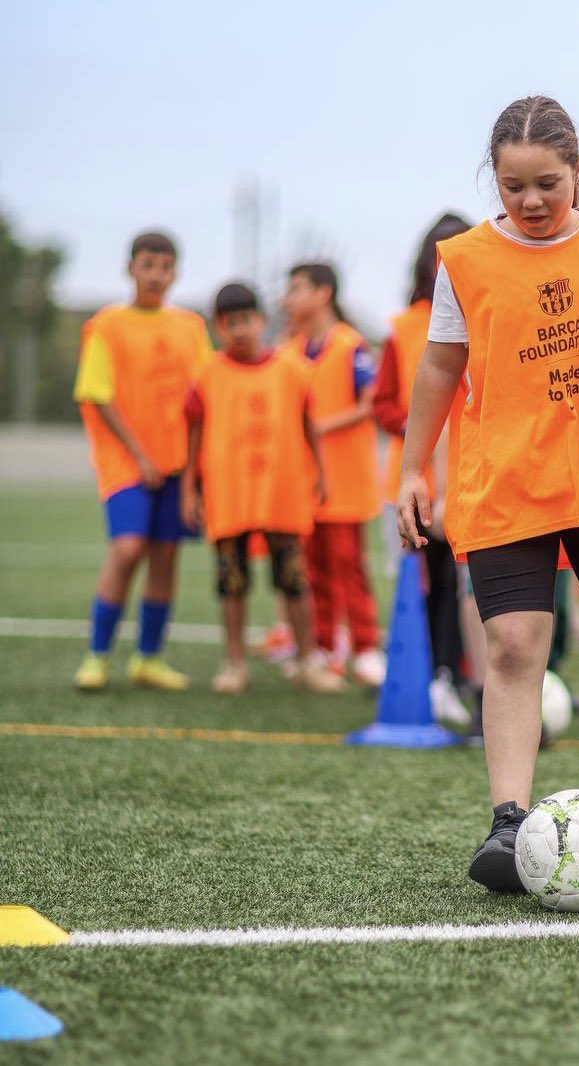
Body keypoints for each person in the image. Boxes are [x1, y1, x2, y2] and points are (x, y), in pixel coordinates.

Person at [397, 95, 579, 890]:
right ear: (493, 177)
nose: (529, 201)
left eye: (547, 184)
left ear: (577, 170)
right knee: (514, 648)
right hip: (503, 481)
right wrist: (414, 470)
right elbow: (439, 369)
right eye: (513, 185)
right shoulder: (465, 260)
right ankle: (509, 823)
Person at [180, 283, 344, 696]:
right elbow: (194, 436)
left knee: (293, 580)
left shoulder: (292, 370)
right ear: (218, 328)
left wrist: (322, 473)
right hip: (228, 493)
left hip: (282, 491)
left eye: (245, 320)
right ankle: (234, 663)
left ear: (261, 320)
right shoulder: (207, 375)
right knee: (231, 582)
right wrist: (189, 490)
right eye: (229, 323)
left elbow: (310, 426)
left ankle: (307, 660)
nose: (238, 330)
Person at [73, 231, 209, 691]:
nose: (156, 274)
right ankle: (97, 656)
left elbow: (205, 394)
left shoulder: (190, 326)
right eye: (148, 264)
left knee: (165, 556)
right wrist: (139, 454)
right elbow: (98, 394)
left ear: (176, 273)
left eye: (165, 267)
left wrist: (198, 465)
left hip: (177, 464)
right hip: (127, 463)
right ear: (130, 267)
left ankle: (148, 659)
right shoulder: (106, 325)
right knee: (127, 548)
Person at [374, 213, 472, 725]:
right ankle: (418, 676)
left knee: (465, 589)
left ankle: (453, 677)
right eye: (439, 251)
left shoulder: (486, 316)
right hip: (416, 483)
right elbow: (384, 403)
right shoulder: (403, 329)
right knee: (422, 582)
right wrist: (421, 427)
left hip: (472, 480)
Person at [280, 263, 386, 687]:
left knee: (349, 566)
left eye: (297, 289)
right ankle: (324, 648)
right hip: (304, 483)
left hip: (346, 479)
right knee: (313, 569)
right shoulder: (288, 351)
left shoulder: (351, 344)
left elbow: (370, 403)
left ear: (323, 294)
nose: (288, 298)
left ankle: (365, 648)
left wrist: (321, 427)